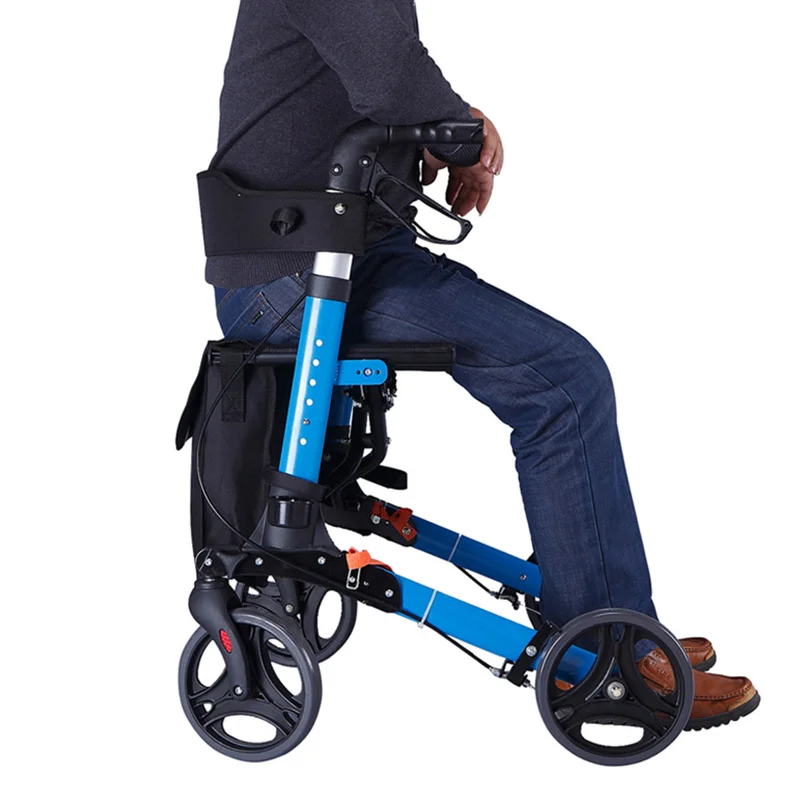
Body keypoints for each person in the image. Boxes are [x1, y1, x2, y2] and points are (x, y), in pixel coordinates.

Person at [206, 0, 758, 729]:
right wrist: (462, 131)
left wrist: (441, 132)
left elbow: (374, 81)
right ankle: (610, 659)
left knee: (567, 378)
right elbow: (388, 74)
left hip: (344, 256)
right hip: (298, 277)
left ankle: (611, 621)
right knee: (565, 386)